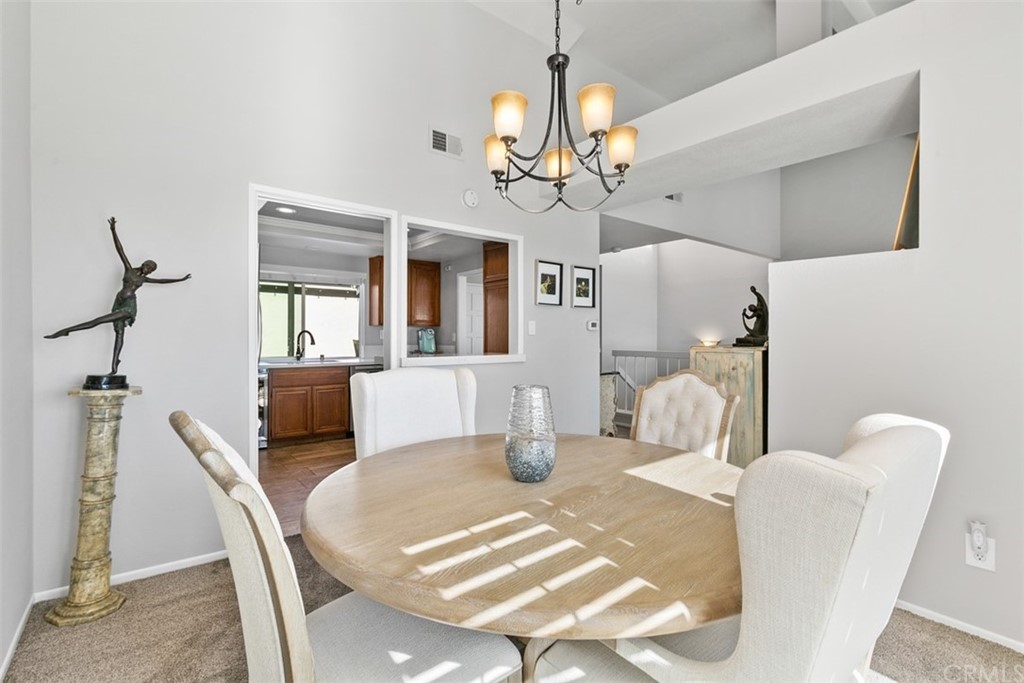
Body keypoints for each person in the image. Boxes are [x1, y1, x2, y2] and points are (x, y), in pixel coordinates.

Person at [45, 217, 191, 375]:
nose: (149, 270)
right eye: (148, 266)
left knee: (98, 321)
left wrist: (180, 279)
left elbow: (163, 281)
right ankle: (114, 366)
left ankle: (66, 330)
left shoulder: (144, 279)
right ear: (144, 264)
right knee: (119, 333)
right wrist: (113, 230)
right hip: (118, 302)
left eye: (151, 269)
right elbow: (120, 250)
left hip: (129, 306)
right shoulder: (129, 269)